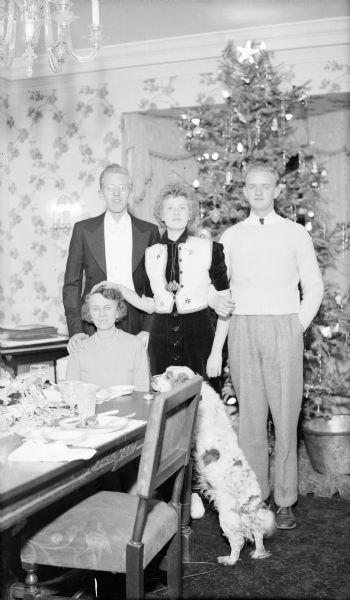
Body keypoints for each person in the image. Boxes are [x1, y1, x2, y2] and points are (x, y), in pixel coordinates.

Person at [207, 160, 324, 530]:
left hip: (283, 328)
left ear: (276, 190)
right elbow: (217, 286)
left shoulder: (294, 234)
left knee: (286, 416)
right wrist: (215, 301)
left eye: (265, 186)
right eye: (251, 186)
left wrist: (297, 326)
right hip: (242, 328)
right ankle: (255, 497)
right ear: (244, 191)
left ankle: (286, 498)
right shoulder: (230, 237)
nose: (258, 192)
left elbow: (315, 287)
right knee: (251, 421)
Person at [116, 181, 234, 381]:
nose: (176, 213)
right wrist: (118, 288)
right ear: (161, 215)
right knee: (164, 403)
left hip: (199, 338)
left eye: (182, 208)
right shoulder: (150, 254)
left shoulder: (210, 249)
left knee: (203, 404)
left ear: (190, 214)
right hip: (160, 342)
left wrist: (216, 354)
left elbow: (225, 305)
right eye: (170, 208)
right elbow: (151, 305)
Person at [62, 163, 160, 354]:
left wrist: (148, 329)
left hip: (136, 320)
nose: (116, 194)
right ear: (101, 193)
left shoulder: (149, 232)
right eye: (109, 188)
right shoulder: (83, 230)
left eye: (122, 188)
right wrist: (75, 331)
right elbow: (71, 284)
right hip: (94, 319)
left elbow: (156, 287)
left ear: (130, 191)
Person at [65, 282, 149, 392]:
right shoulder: (78, 348)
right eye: (95, 309)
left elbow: (142, 392)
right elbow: (70, 392)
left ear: (118, 312)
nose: (101, 314)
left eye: (107, 308)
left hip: (128, 408)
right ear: (89, 315)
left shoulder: (135, 345)